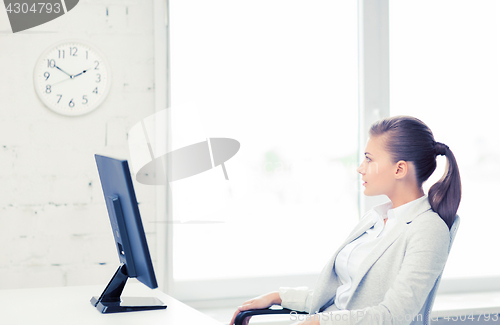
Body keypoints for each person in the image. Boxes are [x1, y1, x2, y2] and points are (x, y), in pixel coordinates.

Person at [229, 115, 461, 325]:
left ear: (399, 169)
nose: (361, 168)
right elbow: (343, 297)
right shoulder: (375, 220)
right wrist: (278, 296)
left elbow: (394, 315)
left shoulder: (428, 229)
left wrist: (319, 323)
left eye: (369, 159)